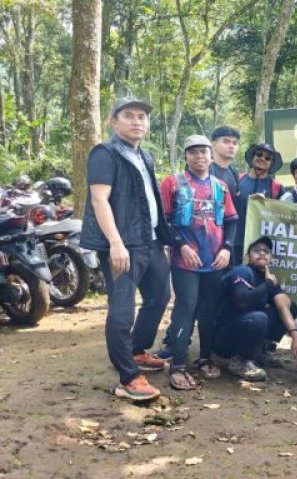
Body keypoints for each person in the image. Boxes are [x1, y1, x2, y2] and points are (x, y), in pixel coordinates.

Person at [80, 98, 185, 401]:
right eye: (129, 116)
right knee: (122, 309)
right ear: (114, 121)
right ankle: (127, 377)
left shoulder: (145, 156)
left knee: (159, 297)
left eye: (142, 116)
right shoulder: (105, 153)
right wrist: (115, 243)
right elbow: (99, 200)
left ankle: (136, 350)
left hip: (150, 241)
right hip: (123, 244)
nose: (137, 121)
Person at [157, 135, 238, 390]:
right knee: (186, 306)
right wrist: (181, 245)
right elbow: (164, 221)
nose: (199, 156)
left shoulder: (220, 187)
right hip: (185, 261)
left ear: (211, 155)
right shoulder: (173, 183)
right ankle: (178, 364)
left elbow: (231, 221)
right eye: (193, 152)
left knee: (208, 309)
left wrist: (226, 249)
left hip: (214, 260)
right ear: (186, 156)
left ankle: (205, 358)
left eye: (203, 151)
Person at [214, 236, 297, 381]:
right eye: (257, 250)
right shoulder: (243, 271)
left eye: (266, 251)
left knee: (290, 306)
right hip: (223, 337)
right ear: (247, 256)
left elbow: (283, 305)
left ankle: (259, 353)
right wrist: (267, 284)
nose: (262, 253)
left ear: (271, 258)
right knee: (258, 318)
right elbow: (242, 300)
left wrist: (294, 333)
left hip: (245, 328)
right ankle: (239, 362)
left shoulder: (268, 278)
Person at [234, 143, 285, 262]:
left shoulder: (277, 187)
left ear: (271, 163)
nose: (262, 158)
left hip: (261, 248)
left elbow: (282, 217)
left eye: (267, 158)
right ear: (253, 157)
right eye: (259, 154)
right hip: (236, 242)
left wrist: (266, 205)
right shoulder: (237, 180)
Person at [209, 126, 241, 199]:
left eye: (235, 143)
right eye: (226, 142)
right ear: (213, 144)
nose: (231, 146)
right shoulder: (205, 171)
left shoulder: (234, 172)